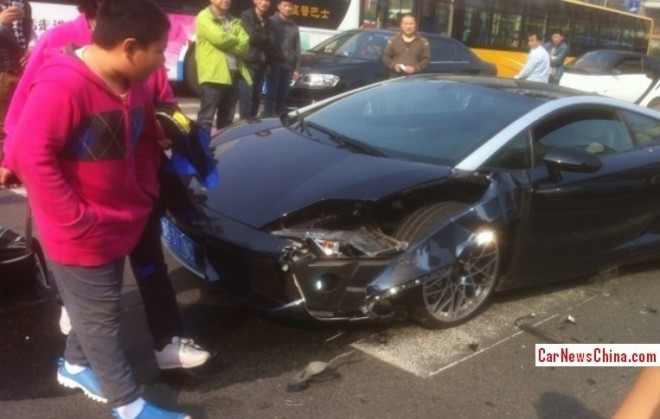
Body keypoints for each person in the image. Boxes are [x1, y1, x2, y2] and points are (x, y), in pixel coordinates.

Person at [5, 0, 194, 416]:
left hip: (120, 219)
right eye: (160, 51)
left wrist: (144, 190)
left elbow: (145, 144)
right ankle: (127, 405)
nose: (163, 62)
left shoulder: (138, 86)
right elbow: (29, 156)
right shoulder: (63, 86)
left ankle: (74, 365)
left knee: (95, 305)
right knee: (100, 318)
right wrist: (76, 218)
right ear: (130, 47)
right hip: (78, 230)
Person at [196, 0, 251, 133]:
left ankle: (220, 152)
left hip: (233, 75)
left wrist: (229, 43)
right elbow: (219, 38)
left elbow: (245, 44)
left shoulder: (233, 20)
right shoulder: (204, 16)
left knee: (226, 122)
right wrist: (235, 40)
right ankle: (202, 151)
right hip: (213, 76)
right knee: (206, 119)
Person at [0, 0, 32, 188]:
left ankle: (12, 167)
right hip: (1, 72)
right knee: (2, 125)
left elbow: (27, 35)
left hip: (20, 73)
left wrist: (29, 51)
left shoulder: (23, 4)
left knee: (20, 122)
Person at [239, 0, 276, 120]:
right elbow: (252, 38)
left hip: (262, 64)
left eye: (267, 1)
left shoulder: (268, 21)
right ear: (254, 1)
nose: (264, 3)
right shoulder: (246, 15)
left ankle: (252, 122)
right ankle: (243, 125)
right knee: (246, 98)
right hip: (248, 62)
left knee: (257, 97)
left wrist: (269, 63)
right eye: (261, 0)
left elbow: (272, 42)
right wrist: (265, 38)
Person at [263, 0, 299, 117]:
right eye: (285, 5)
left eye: (290, 6)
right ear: (279, 6)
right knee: (271, 95)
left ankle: (279, 122)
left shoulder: (294, 26)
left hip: (288, 67)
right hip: (274, 65)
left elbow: (297, 48)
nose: (288, 8)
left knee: (283, 96)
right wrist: (267, 63)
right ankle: (267, 120)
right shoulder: (271, 22)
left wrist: (296, 68)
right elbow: (267, 45)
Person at [381, 13, 430, 77]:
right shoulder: (393, 40)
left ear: (415, 25)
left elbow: (426, 60)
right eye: (405, 24)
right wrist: (394, 65)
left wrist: (415, 68)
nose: (408, 26)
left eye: (411, 24)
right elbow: (386, 57)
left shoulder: (423, 42)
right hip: (396, 79)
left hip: (414, 79)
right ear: (401, 25)